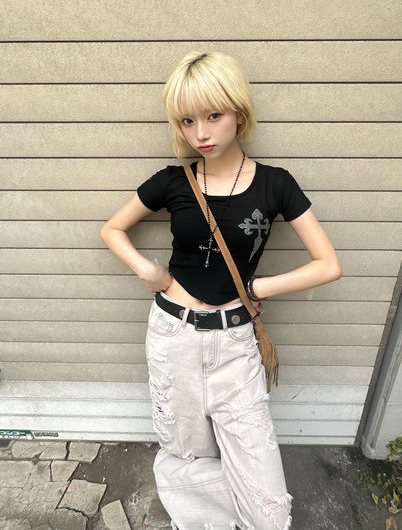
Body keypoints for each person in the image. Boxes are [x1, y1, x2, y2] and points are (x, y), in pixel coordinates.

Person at [100, 51, 342, 530]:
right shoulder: (174, 181)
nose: (201, 134)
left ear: (239, 112)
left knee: (267, 503)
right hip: (172, 335)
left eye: (213, 116)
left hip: (235, 343)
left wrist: (260, 286)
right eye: (187, 121)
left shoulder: (276, 184)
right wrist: (149, 271)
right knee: (187, 458)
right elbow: (112, 229)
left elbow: (328, 265)